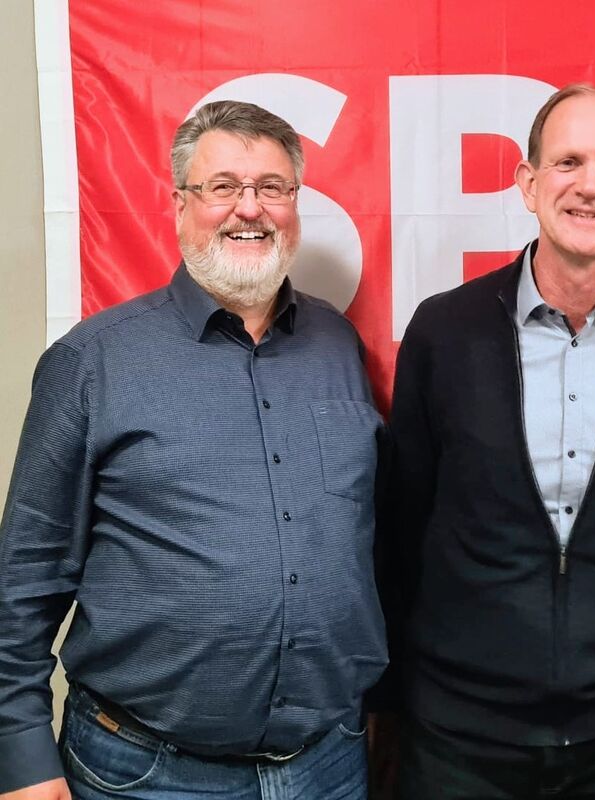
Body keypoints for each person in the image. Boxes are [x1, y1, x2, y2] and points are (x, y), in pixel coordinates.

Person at [0, 101, 387, 800]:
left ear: (295, 203)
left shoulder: (337, 346)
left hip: (327, 764)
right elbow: (25, 578)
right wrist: (22, 759)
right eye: (223, 186)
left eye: (272, 187)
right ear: (181, 205)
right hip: (148, 773)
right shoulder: (94, 360)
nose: (251, 207)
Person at [386, 83, 595, 799]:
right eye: (568, 161)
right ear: (528, 183)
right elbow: (407, 517)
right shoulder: (443, 331)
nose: (591, 185)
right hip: (461, 737)